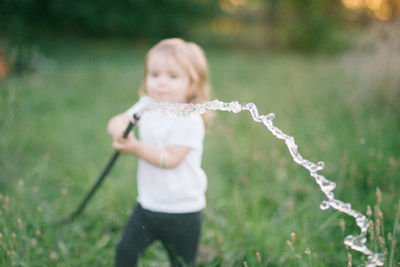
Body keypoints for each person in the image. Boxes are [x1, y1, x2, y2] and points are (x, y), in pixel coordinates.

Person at [107, 38, 211, 267]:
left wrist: (134, 147)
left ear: (192, 85)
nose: (161, 83)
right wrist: (119, 131)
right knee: (125, 251)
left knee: (181, 262)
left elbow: (170, 159)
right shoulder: (146, 105)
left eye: (173, 76)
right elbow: (117, 121)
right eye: (154, 74)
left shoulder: (190, 120)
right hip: (148, 205)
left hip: (183, 211)